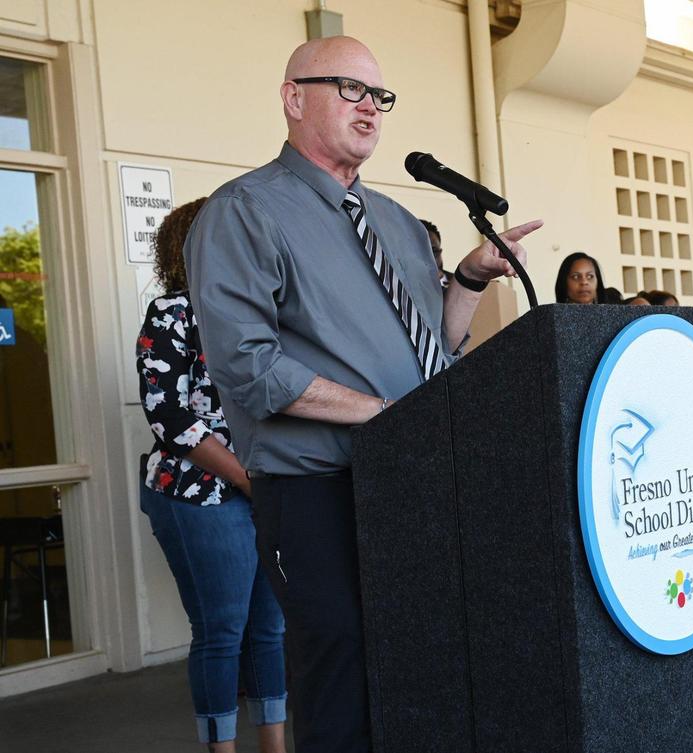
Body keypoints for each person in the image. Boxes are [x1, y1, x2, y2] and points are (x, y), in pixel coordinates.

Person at [184, 36, 541, 753]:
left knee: (420, 663)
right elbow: (250, 367)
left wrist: (470, 279)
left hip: (409, 483)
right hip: (314, 489)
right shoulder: (243, 212)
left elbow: (432, 350)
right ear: (294, 98)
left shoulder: (400, 223)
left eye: (379, 95)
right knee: (341, 672)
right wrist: (388, 419)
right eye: (349, 89)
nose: (370, 108)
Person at [136, 199, 287, 753]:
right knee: (222, 632)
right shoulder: (171, 313)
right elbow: (169, 416)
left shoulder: (261, 311)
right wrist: (248, 477)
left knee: (270, 630)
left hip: (269, 485)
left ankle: (275, 746)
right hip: (198, 492)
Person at [420, 218, 452, 287]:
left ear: (440, 251)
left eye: (433, 251)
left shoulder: (461, 284)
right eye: (421, 251)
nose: (429, 257)